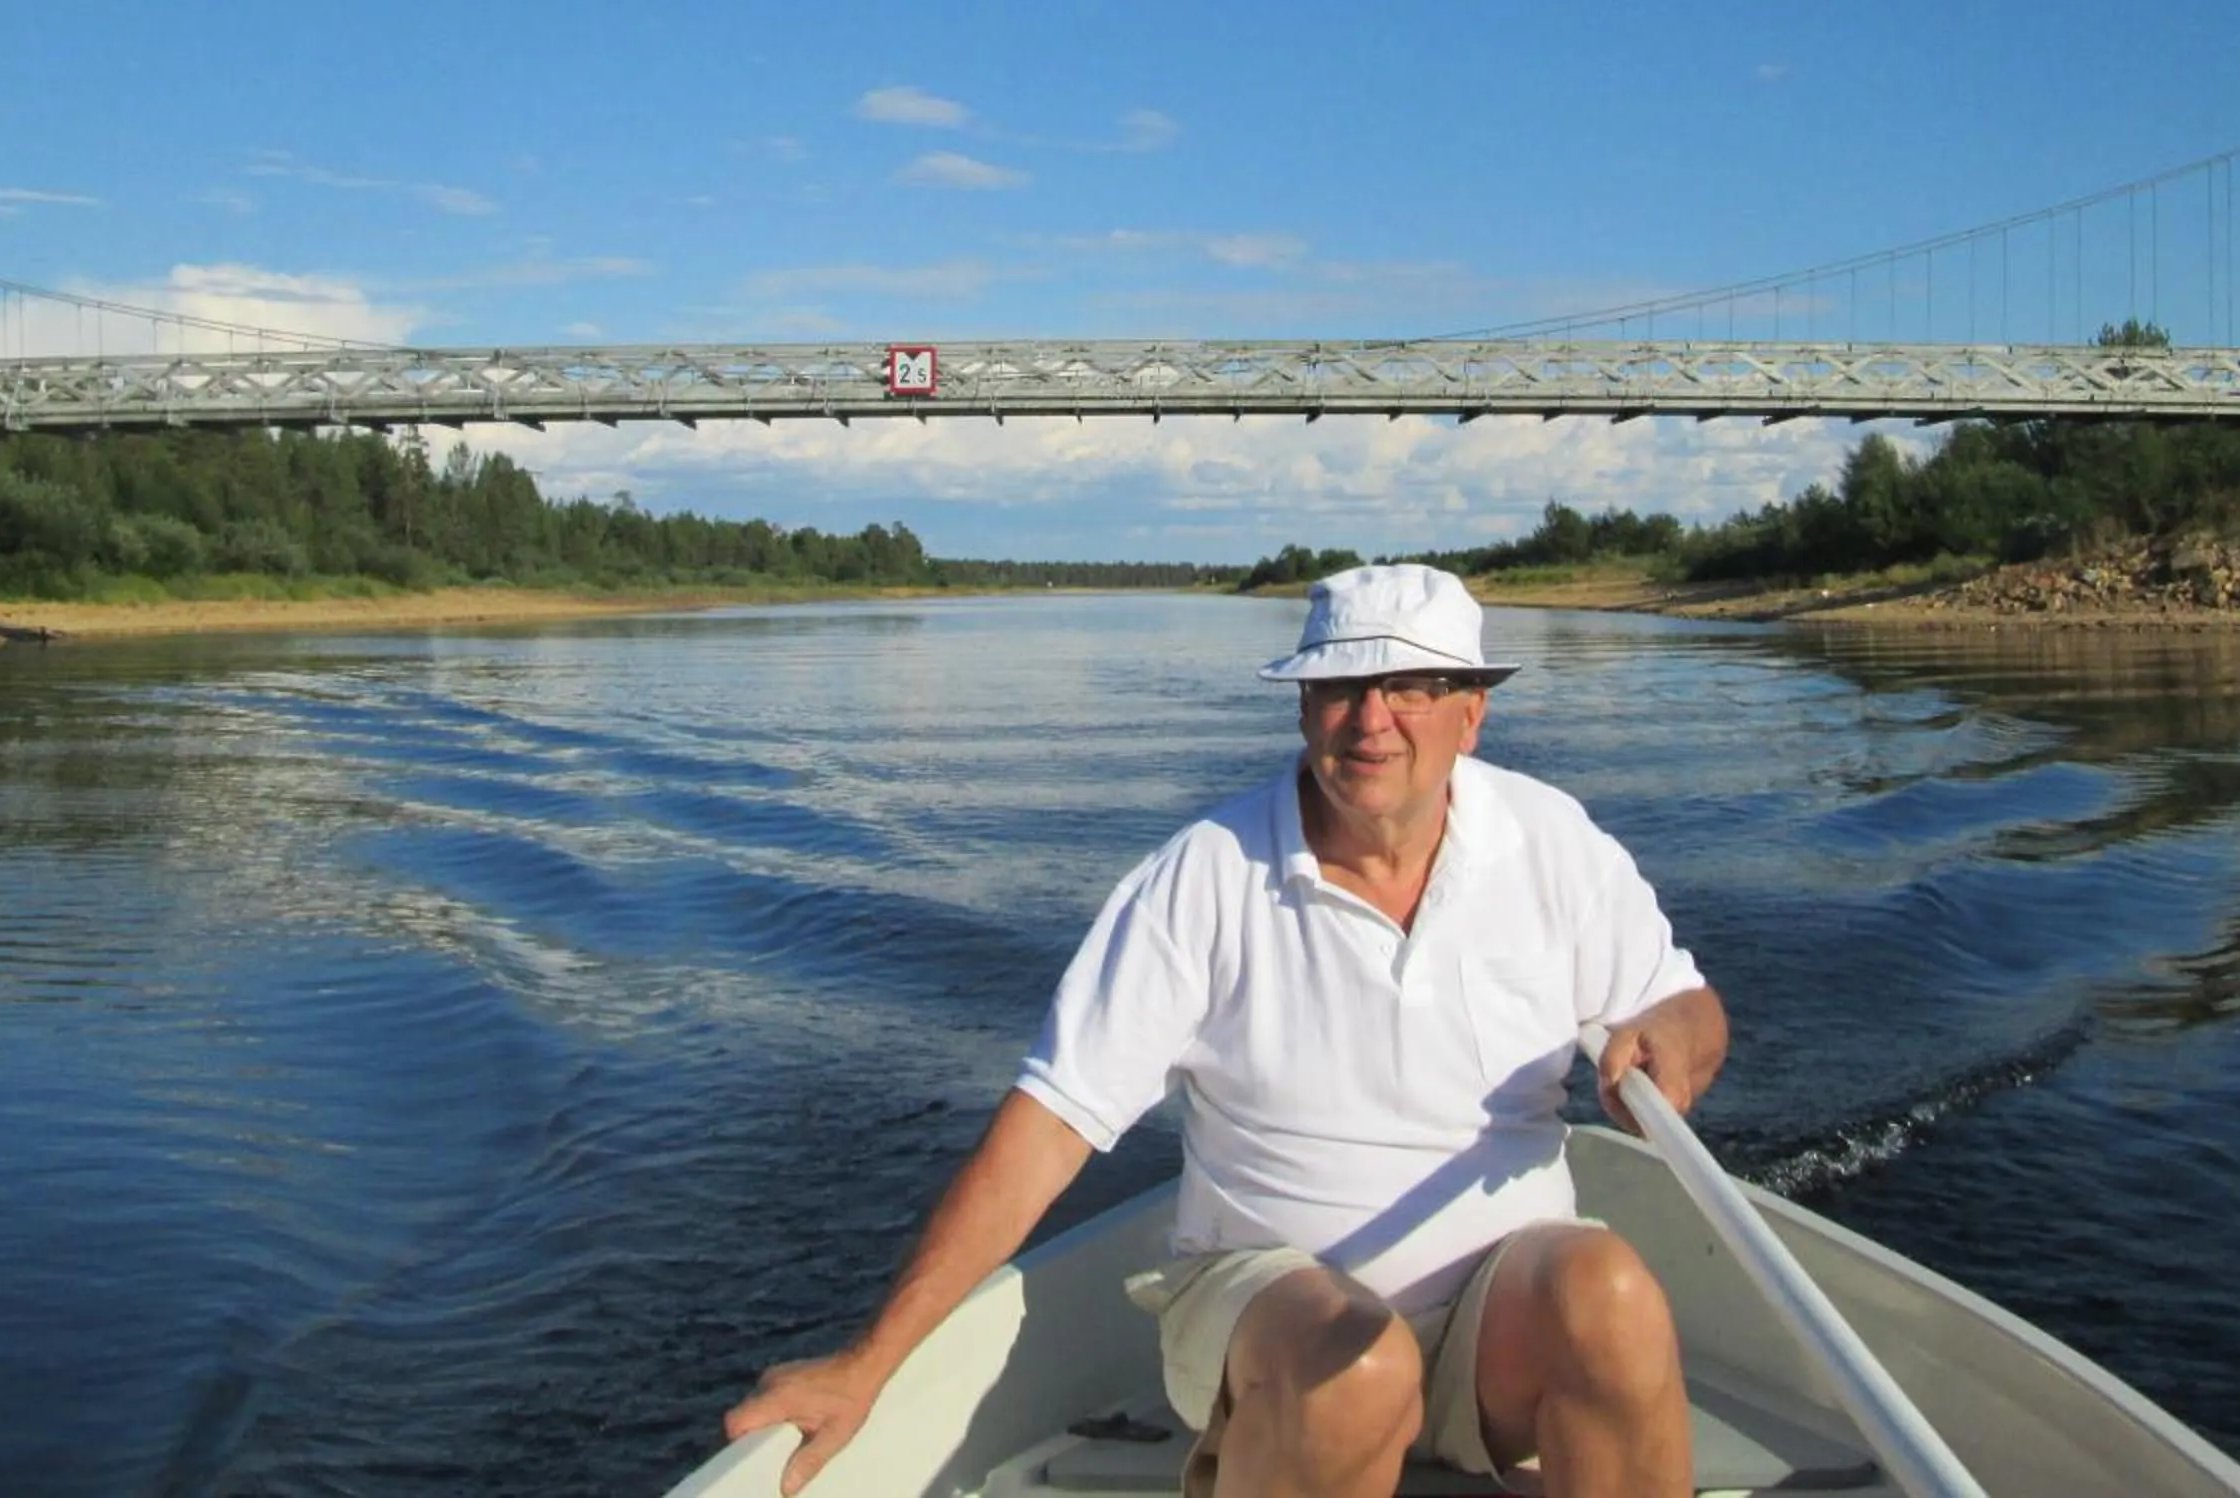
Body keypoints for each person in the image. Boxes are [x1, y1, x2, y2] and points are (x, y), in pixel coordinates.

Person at [726, 564, 1727, 1498]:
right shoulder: (1202, 878)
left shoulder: (1551, 842)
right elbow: (1048, 1128)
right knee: (1358, 1367)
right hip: (1271, 1313)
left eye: (1411, 687)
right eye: (1340, 689)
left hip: (1497, 1321)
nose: (1372, 721)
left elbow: (1684, 1005)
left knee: (1613, 1298)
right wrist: (871, 1363)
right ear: (1303, 710)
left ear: (1473, 714)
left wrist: (1676, 1042)